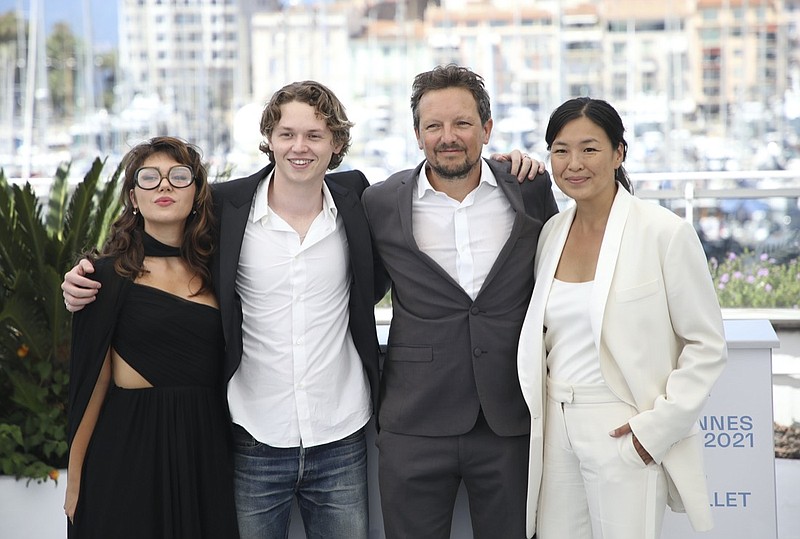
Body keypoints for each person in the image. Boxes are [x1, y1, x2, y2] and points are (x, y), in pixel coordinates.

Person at [62, 80, 540, 539]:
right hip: (252, 434)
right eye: (287, 134)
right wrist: (87, 277)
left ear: (336, 143)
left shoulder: (359, 200)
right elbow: (164, 246)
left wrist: (511, 165)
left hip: (341, 433)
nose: (300, 146)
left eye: (315, 134)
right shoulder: (228, 207)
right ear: (269, 139)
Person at [361, 64, 559, 539]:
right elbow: (356, 291)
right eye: (434, 126)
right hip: (414, 420)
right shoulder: (381, 203)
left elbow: (557, 275)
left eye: (463, 123)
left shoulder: (528, 188)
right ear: (418, 133)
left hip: (510, 417)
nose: (448, 137)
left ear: (487, 129)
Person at [516, 97, 727, 539]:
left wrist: (655, 431)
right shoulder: (551, 232)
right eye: (560, 149)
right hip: (554, 425)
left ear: (619, 153)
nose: (574, 163)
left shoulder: (664, 232)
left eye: (589, 148)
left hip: (623, 424)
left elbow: (705, 344)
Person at [64, 136, 240, 538]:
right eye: (150, 178)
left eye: (179, 176)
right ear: (132, 196)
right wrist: (75, 479)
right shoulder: (105, 277)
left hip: (204, 448)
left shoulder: (221, 272)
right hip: (127, 447)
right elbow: (92, 385)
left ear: (197, 193)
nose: (164, 185)